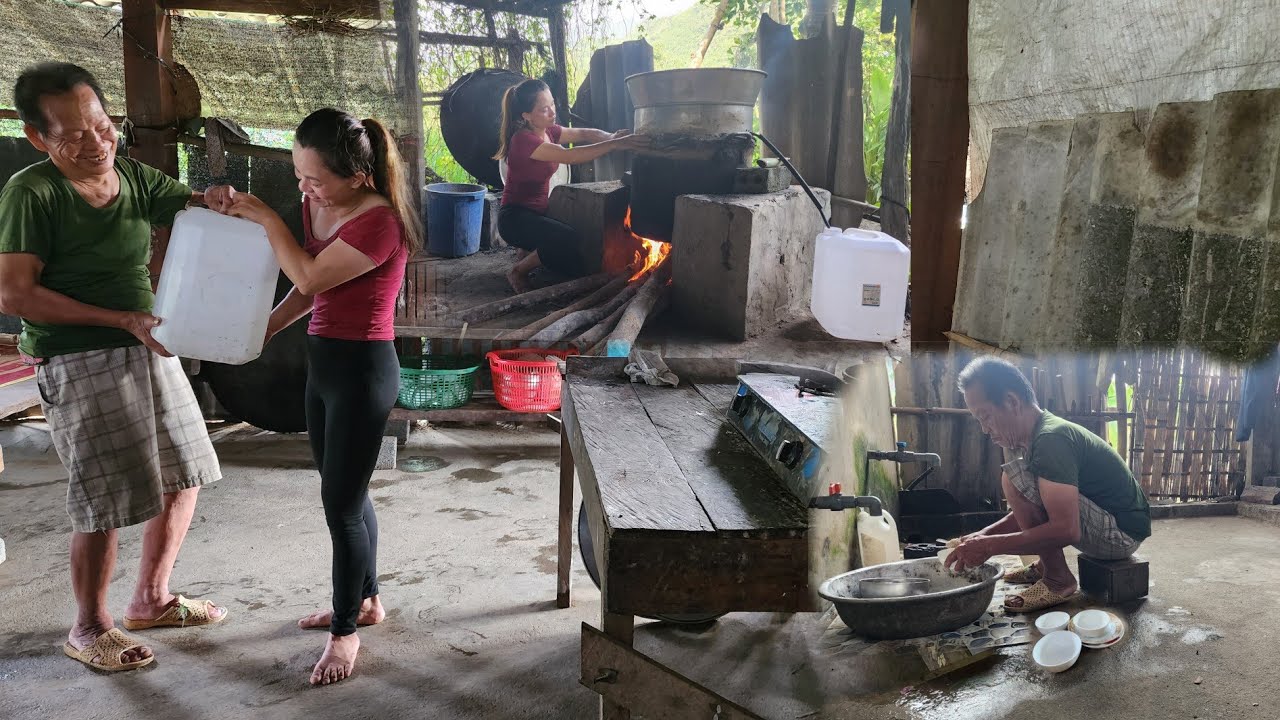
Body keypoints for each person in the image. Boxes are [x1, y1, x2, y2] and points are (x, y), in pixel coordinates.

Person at [0, 63, 226, 673]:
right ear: (36, 136)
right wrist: (119, 319)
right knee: (106, 496)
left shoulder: (127, 173)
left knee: (185, 472)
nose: (96, 143)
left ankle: (151, 598)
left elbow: (192, 202)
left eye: (102, 126)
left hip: (146, 341)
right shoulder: (32, 192)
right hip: (78, 355)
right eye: (72, 135)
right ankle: (89, 625)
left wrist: (216, 197)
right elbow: (14, 295)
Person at [205, 107, 419, 686]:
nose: (306, 189)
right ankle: (368, 600)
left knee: (341, 505)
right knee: (344, 490)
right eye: (300, 177)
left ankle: (346, 632)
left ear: (357, 176)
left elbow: (306, 273)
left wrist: (267, 217)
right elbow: (309, 286)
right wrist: (263, 331)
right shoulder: (318, 203)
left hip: (362, 372)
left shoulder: (380, 224)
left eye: (315, 180)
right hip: (323, 364)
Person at [944, 357, 1152, 612]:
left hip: (1120, 536)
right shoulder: (1041, 437)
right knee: (1018, 479)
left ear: (1012, 401)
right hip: (1113, 525)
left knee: (1011, 478)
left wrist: (990, 546)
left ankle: (1057, 579)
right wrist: (984, 535)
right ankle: (1046, 564)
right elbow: (1034, 508)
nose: (985, 429)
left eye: (985, 416)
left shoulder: (1051, 440)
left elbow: (1067, 530)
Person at [493, 78, 646, 292]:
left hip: (539, 214)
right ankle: (518, 270)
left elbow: (584, 133)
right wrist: (615, 143)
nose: (552, 112)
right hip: (515, 219)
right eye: (544, 109)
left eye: (552, 104)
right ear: (526, 116)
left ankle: (528, 250)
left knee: (574, 261)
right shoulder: (523, 141)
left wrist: (610, 136)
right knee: (566, 239)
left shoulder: (549, 132)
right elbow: (571, 155)